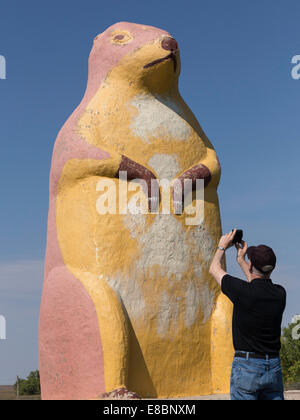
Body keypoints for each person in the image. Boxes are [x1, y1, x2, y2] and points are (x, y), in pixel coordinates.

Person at [209, 229, 286, 400]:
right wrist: (242, 261)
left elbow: (214, 269)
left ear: (252, 266)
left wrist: (221, 247)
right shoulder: (280, 294)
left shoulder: (242, 292)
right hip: (273, 366)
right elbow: (257, 283)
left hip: (247, 366)